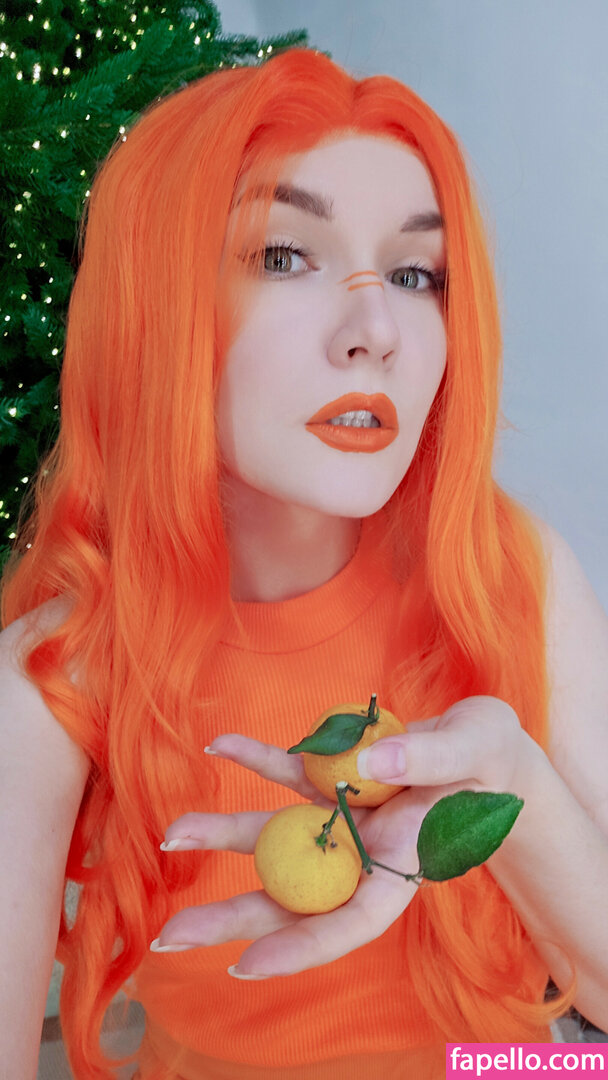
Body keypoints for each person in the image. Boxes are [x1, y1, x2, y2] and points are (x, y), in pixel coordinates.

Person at [0, 46, 607, 1080]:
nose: (377, 330)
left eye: (415, 275)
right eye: (284, 255)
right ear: (158, 303)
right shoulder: (57, 675)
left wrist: (515, 791)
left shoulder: (507, 570)